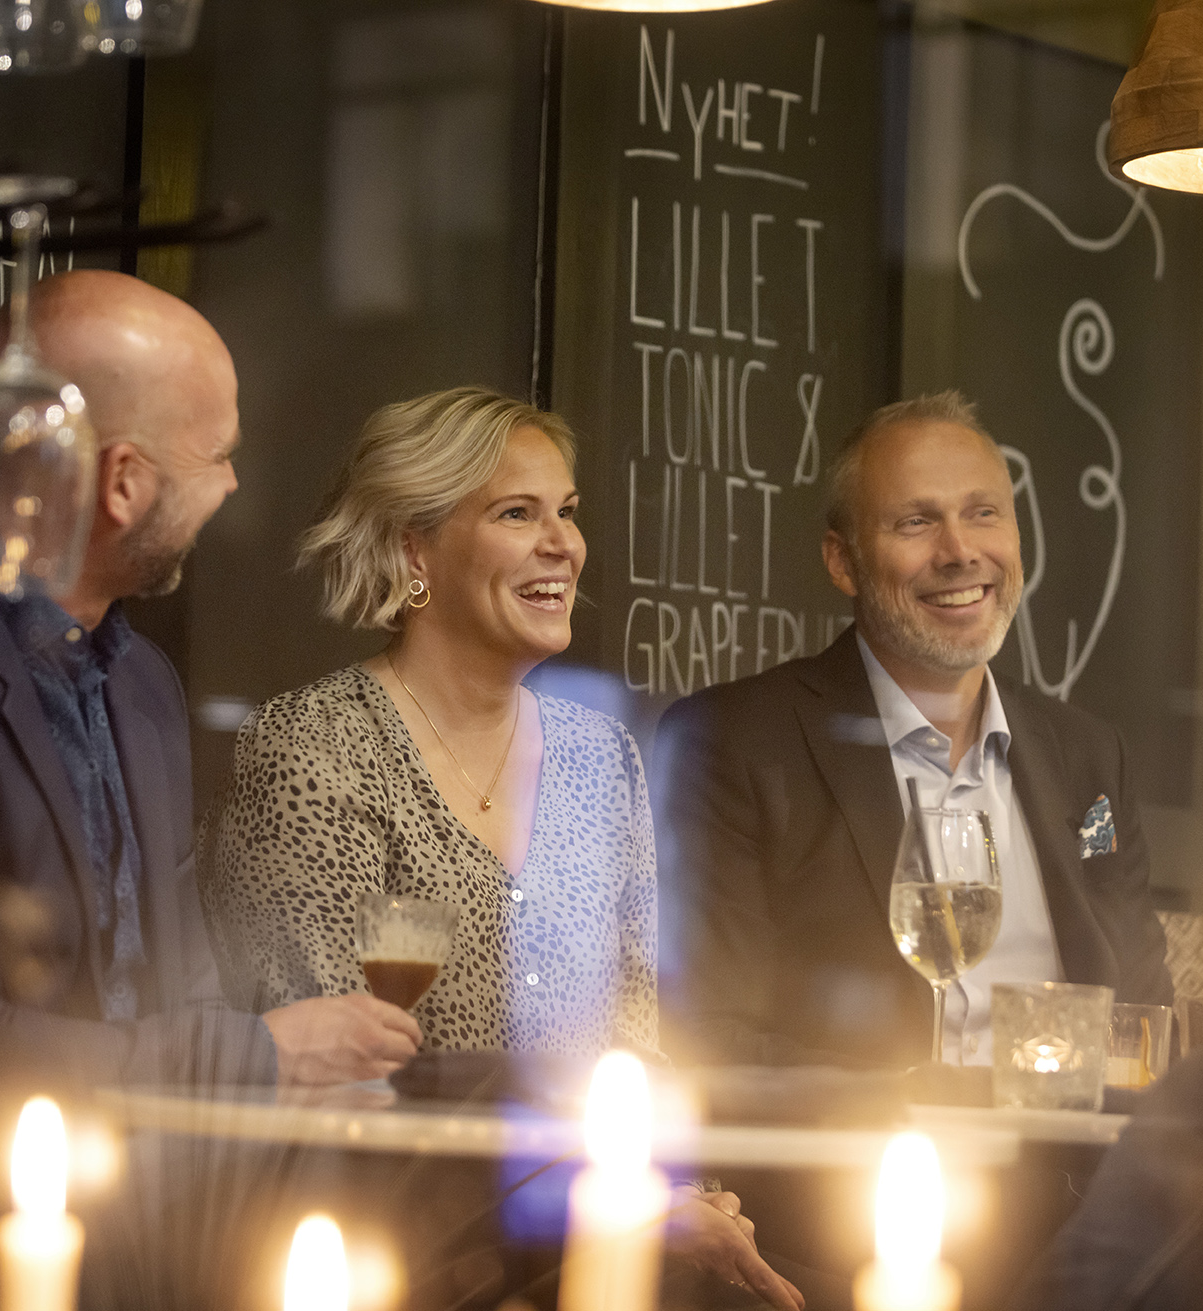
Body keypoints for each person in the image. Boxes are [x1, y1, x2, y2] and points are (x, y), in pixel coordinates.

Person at [198, 386, 806, 1311]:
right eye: (517, 513)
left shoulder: (600, 755)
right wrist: (611, 1202)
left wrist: (674, 1188)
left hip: (590, 1260)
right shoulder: (314, 750)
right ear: (415, 549)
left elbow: (635, 1041)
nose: (563, 543)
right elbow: (336, 1089)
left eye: (567, 511)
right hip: (385, 1260)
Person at [0, 270, 421, 1115]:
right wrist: (264, 1056)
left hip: (143, 1187)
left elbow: (182, 990)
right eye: (217, 455)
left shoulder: (142, 683)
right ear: (123, 483)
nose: (231, 486)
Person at [656, 391, 1173, 1070]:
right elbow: (712, 1035)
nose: (959, 551)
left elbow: (1142, 1021)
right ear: (843, 561)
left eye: (983, 513)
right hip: (857, 1138)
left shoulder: (1090, 757)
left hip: (1066, 1138)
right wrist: (906, 1112)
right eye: (916, 522)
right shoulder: (732, 741)